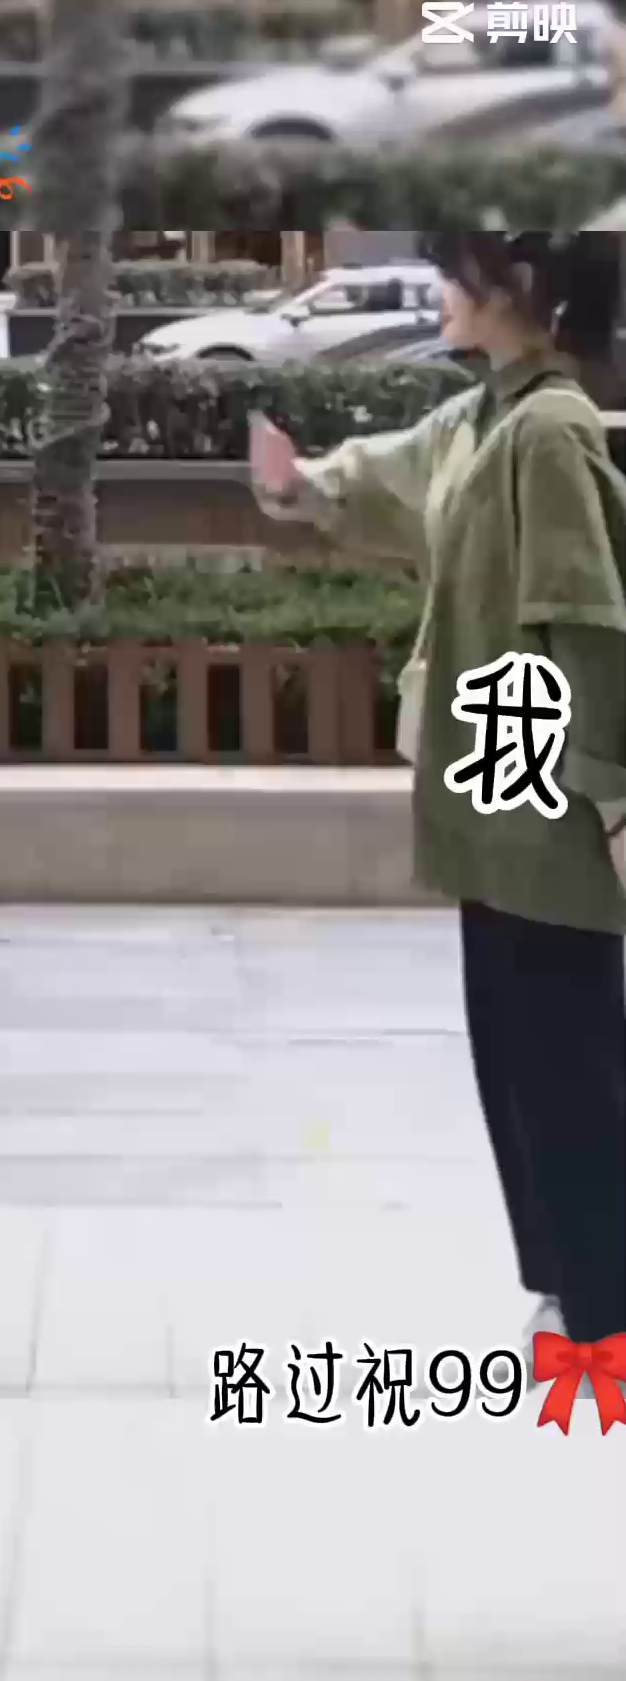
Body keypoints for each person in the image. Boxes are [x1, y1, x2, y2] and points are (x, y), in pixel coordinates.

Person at [248, 230, 626, 1367]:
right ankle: (571, 1289)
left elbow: (586, 625)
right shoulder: (482, 418)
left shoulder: (549, 431)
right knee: (516, 1059)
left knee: (568, 1068)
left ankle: (606, 1313)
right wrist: (301, 484)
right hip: (490, 801)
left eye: (460, 271)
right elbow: (394, 473)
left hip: (548, 804)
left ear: (525, 290)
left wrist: (613, 803)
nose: (442, 290)